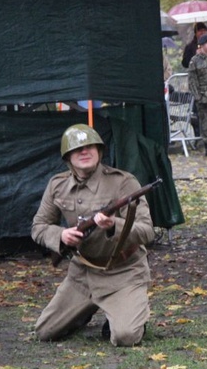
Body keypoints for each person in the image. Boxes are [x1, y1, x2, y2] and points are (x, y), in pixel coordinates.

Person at [32, 124, 154, 347]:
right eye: (77, 149)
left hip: (122, 272)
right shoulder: (57, 185)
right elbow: (39, 226)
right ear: (68, 156)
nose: (84, 151)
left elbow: (147, 231)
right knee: (45, 331)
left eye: (90, 147)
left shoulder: (123, 182)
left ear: (100, 151)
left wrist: (113, 225)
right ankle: (82, 313)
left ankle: (126, 315)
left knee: (125, 336)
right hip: (83, 273)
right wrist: (61, 235)